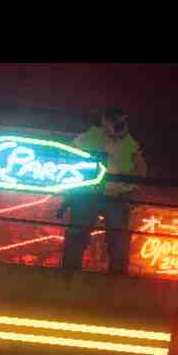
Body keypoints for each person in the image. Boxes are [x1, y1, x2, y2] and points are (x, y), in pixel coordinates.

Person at [62, 107, 147, 275]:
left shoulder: (127, 142)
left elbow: (140, 170)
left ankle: (74, 270)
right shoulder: (92, 138)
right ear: (104, 121)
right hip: (92, 194)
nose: (119, 124)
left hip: (108, 195)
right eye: (116, 120)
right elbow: (69, 157)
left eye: (121, 120)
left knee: (114, 235)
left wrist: (131, 188)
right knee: (91, 233)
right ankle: (72, 270)